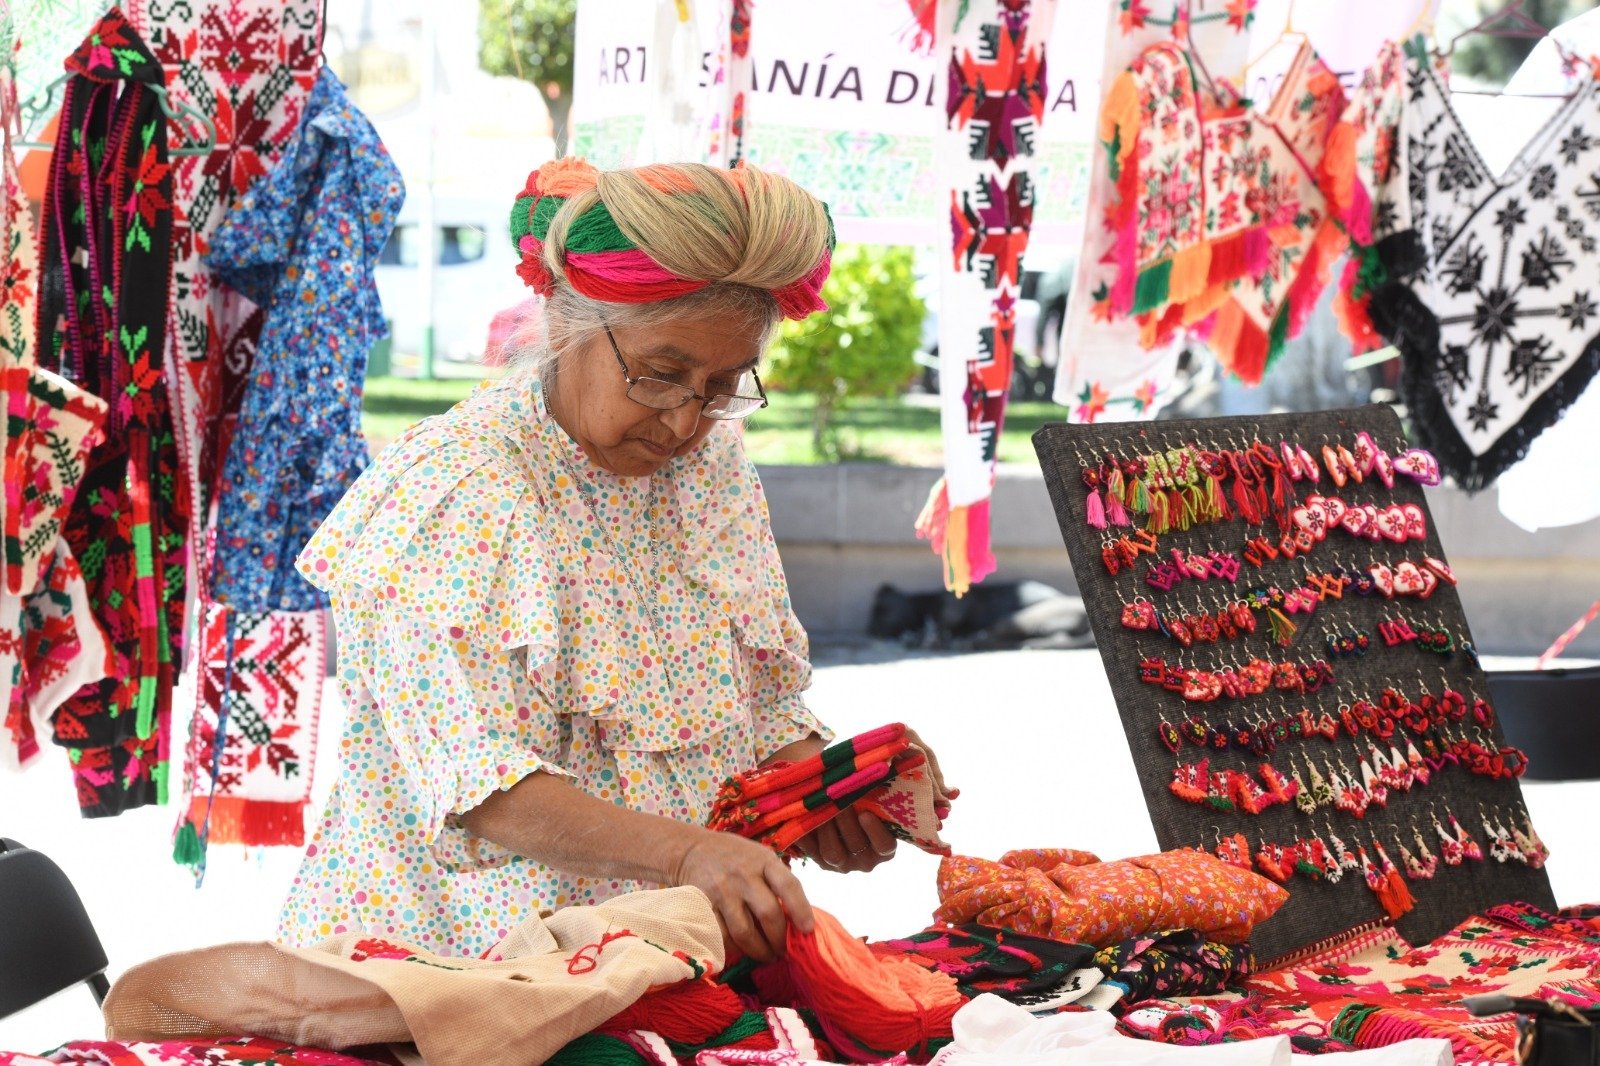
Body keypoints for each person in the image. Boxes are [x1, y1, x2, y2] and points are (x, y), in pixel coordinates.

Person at [279, 158, 949, 963]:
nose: (683, 420)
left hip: (651, 961)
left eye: (721, 385)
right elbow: (486, 788)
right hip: (453, 971)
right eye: (661, 375)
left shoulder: (711, 467)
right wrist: (686, 853)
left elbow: (760, 704)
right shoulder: (460, 488)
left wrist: (834, 785)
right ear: (567, 323)